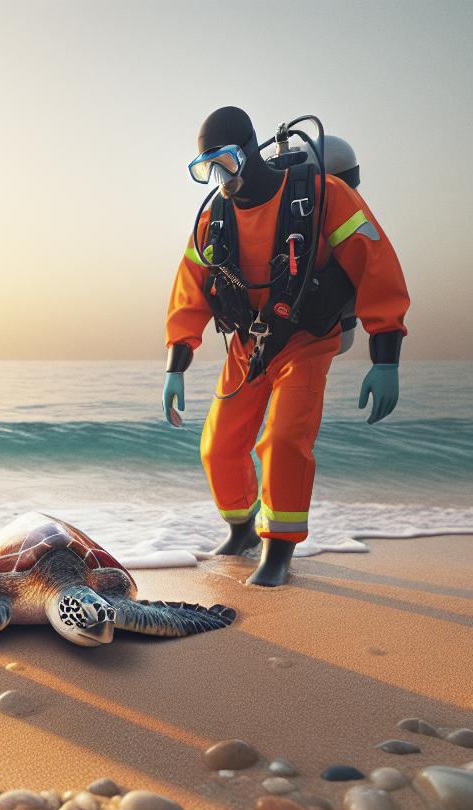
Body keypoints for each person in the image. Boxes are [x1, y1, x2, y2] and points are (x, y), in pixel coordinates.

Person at [162, 106, 409, 586]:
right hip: (248, 342)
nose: (220, 177)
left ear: (251, 150)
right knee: (218, 446)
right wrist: (177, 362)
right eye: (207, 167)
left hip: (306, 338)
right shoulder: (213, 216)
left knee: (282, 441)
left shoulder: (321, 195)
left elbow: (376, 266)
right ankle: (242, 530)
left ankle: (277, 550)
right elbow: (189, 288)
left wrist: (386, 358)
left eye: (227, 161)